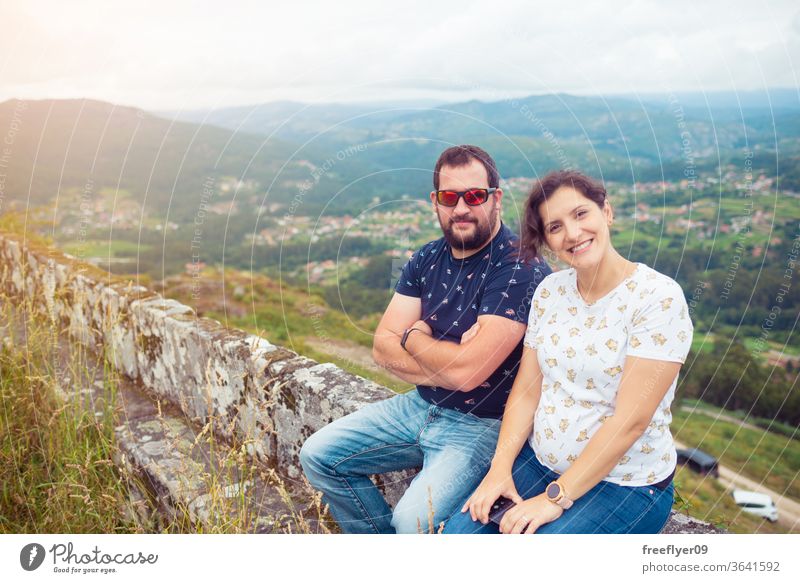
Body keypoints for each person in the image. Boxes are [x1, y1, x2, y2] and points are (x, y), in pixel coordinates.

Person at [299, 145, 551, 533]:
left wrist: (415, 337)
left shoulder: (519, 265)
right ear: (435, 202)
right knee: (318, 455)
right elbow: (382, 346)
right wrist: (450, 365)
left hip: (481, 424)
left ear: (496, 199)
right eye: (450, 197)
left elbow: (468, 374)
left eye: (475, 196)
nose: (462, 208)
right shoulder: (426, 259)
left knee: (412, 518)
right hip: (419, 406)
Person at [444, 169, 693, 534]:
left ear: (605, 211)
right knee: (456, 539)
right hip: (538, 463)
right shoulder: (549, 291)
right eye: (555, 227)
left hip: (624, 485)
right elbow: (527, 391)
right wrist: (499, 470)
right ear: (546, 240)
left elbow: (630, 422)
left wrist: (554, 498)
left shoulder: (657, 299)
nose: (573, 234)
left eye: (581, 214)